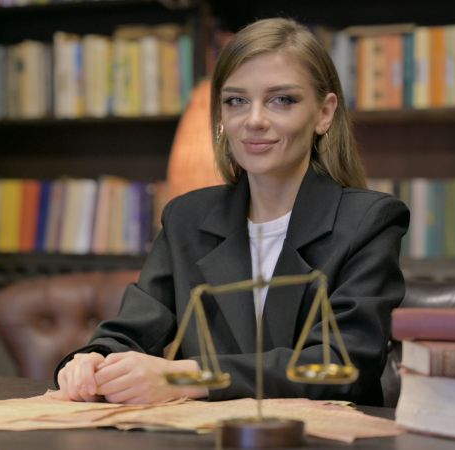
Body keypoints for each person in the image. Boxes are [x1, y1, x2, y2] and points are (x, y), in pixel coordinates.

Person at [53, 17, 410, 407]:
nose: (254, 120)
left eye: (282, 100)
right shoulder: (187, 218)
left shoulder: (369, 221)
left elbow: (343, 364)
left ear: (324, 113)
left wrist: (187, 376)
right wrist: (92, 361)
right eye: (236, 101)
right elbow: (131, 331)